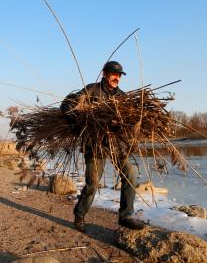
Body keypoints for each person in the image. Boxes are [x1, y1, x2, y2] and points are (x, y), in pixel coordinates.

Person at [60, 61, 145, 232]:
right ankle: (80, 214)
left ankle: (125, 216)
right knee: (92, 183)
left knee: (130, 176)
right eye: (114, 74)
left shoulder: (122, 96)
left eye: (120, 75)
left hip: (115, 144)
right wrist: (76, 118)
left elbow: (129, 120)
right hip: (95, 144)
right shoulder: (92, 89)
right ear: (104, 74)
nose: (117, 77)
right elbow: (67, 104)